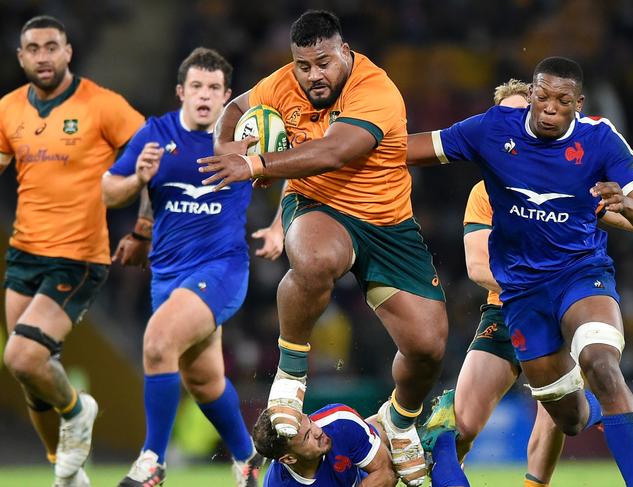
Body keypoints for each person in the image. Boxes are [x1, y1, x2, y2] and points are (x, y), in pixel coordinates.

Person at [198, 10, 448, 486]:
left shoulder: (377, 90)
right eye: (303, 65)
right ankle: (290, 379)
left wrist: (255, 163)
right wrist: (227, 147)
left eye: (324, 63)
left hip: (388, 223)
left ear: (345, 53)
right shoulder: (281, 84)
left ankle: (398, 422)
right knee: (315, 259)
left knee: (427, 348)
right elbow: (233, 110)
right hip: (318, 205)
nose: (314, 75)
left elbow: (336, 151)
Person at [408, 57, 633, 486]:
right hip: (517, 299)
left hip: (580, 276)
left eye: (562, 100)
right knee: (569, 417)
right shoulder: (490, 145)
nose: (549, 108)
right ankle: (584, 413)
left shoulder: (600, 139)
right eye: (541, 98)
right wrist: (335, 147)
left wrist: (627, 204)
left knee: (600, 361)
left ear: (579, 103)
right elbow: (405, 149)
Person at [102, 47, 267, 487]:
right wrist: (137, 181)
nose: (205, 96)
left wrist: (279, 227)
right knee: (204, 380)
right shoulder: (154, 134)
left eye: (215, 88)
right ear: (181, 91)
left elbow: (301, 170)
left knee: (157, 342)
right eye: (197, 86)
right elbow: (107, 190)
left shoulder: (244, 138)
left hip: (222, 268)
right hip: (168, 273)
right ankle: (248, 459)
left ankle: (153, 460)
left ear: (227, 95)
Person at [0, 15, 144, 487]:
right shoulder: (7, 109)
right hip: (24, 252)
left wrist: (144, 225)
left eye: (51, 47)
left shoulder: (103, 105)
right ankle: (65, 470)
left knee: (21, 357)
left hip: (78, 255)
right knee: (32, 373)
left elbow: (154, 154)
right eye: (33, 49)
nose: (42, 56)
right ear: (20, 57)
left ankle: (77, 409)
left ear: (68, 53)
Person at [253, 404, 397, 486]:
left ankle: (399, 423)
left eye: (310, 420)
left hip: (364, 472)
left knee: (385, 430)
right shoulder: (277, 484)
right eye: (307, 437)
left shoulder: (340, 421)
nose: (318, 431)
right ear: (289, 459)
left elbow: (387, 474)